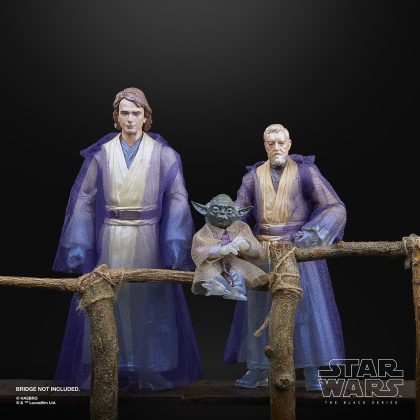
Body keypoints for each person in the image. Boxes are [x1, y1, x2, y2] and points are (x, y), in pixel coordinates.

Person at [53, 87, 201, 391]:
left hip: (148, 235)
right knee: (107, 298)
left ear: (146, 117)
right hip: (111, 234)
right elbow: (84, 198)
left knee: (150, 299)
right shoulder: (102, 154)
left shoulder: (164, 154)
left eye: (136, 113)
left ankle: (151, 368)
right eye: (125, 113)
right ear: (116, 117)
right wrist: (79, 242)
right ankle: (105, 364)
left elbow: (177, 197)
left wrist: (175, 241)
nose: (130, 118)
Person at [224, 123, 346, 391]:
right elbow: (239, 211)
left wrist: (315, 232)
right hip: (262, 250)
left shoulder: (306, 172)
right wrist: (226, 225)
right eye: (271, 143)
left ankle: (312, 370)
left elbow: (334, 206)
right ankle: (258, 368)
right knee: (258, 310)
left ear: (289, 144)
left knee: (306, 307)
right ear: (265, 146)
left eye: (281, 143)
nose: (276, 147)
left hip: (296, 251)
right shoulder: (253, 177)